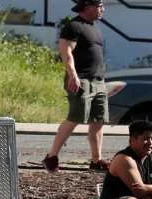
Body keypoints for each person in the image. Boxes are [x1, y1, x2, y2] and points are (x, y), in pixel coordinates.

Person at [44, 0, 108, 173]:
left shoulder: (95, 28)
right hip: (81, 80)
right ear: (88, 7)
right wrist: (73, 75)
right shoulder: (73, 26)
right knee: (75, 117)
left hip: (98, 81)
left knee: (98, 121)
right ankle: (51, 157)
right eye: (100, 6)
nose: (103, 9)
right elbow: (66, 52)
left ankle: (96, 160)